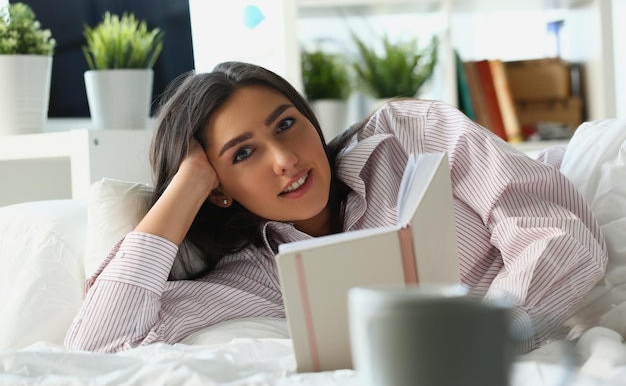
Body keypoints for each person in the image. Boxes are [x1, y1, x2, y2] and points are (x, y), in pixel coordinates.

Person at [64, 61, 607, 354]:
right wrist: (186, 186)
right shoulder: (250, 278)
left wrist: (484, 339)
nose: (285, 158)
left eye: (286, 124)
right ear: (219, 187)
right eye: (244, 152)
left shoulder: (408, 134)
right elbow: (95, 347)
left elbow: (560, 235)